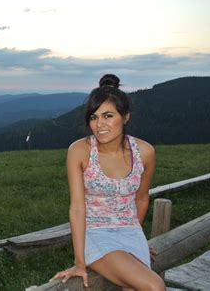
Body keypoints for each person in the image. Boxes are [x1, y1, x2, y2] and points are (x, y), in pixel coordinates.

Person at [51, 74, 165, 290]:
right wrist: (79, 262)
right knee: (154, 286)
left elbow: (141, 199)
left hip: (130, 231)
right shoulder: (80, 151)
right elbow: (77, 208)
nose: (99, 125)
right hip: (94, 232)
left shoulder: (145, 152)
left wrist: (133, 245)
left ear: (126, 117)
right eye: (93, 117)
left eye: (108, 116)